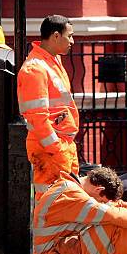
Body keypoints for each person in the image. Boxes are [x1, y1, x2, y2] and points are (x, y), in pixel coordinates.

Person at [17, 15, 79, 201]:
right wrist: (56, 148)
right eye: (70, 36)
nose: (73, 41)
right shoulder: (36, 69)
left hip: (60, 147)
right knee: (52, 203)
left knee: (67, 202)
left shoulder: (51, 62)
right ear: (55, 36)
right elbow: (37, 117)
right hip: (50, 151)